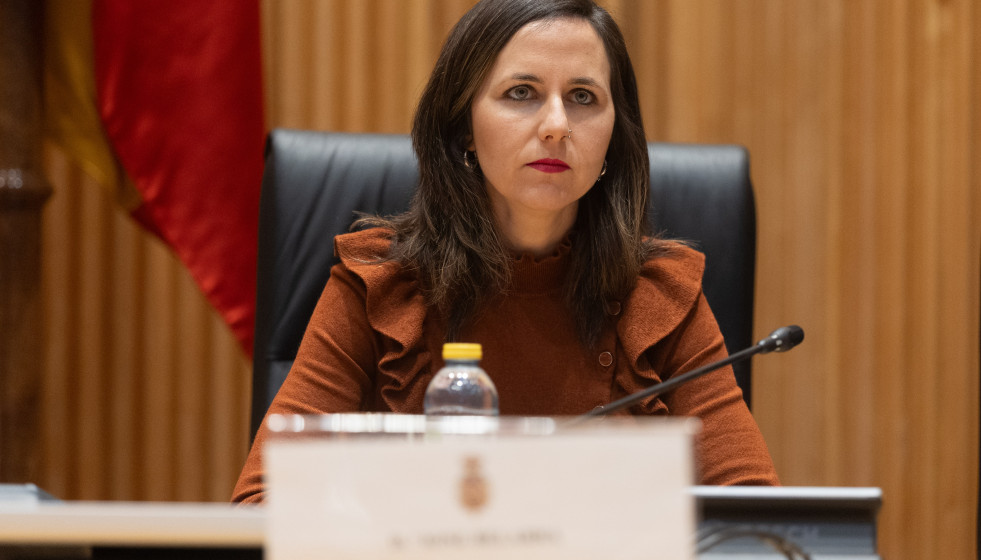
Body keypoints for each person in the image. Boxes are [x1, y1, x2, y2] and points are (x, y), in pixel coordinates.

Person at [233, 0, 777, 504]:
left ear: (616, 132)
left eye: (583, 97)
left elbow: (761, 524)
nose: (557, 126)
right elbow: (261, 508)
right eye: (522, 92)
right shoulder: (380, 286)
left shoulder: (661, 298)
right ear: (465, 126)